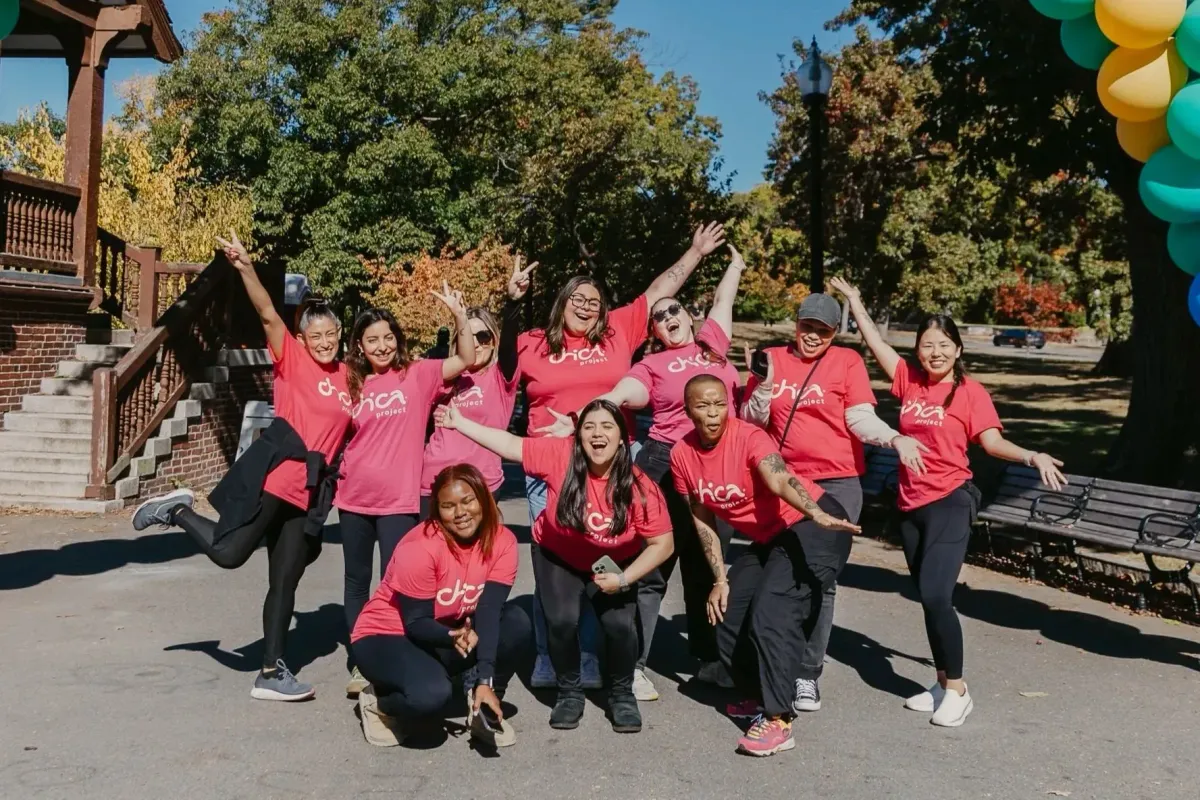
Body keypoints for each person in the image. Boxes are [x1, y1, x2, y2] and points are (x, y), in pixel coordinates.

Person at [832, 276, 1066, 728]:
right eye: (926, 345)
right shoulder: (909, 382)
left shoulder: (971, 392)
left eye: (942, 345)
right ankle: (940, 681)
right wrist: (857, 301)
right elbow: (876, 343)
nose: (933, 352)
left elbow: (991, 442)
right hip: (909, 501)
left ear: (958, 349)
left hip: (950, 501)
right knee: (925, 595)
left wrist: (1031, 455)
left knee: (938, 593)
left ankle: (958, 689)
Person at [502, 222, 726, 689]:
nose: (585, 308)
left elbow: (658, 290)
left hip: (609, 463)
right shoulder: (532, 343)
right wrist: (511, 303)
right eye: (576, 299)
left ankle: (589, 654)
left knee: (603, 556)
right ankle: (548, 653)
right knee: (553, 562)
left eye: (593, 302)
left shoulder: (617, 333)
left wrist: (695, 252)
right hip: (549, 464)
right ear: (561, 302)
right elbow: (496, 363)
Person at [131, 231, 352, 702]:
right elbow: (268, 313)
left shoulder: (347, 377)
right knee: (229, 554)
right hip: (280, 478)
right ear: (303, 339)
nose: (326, 342)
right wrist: (246, 268)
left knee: (286, 577)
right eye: (318, 336)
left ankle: (271, 671)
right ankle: (177, 511)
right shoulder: (291, 359)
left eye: (332, 335)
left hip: (311, 492)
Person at [437, 398, 675, 733]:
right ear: (578, 437)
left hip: (612, 564)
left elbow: (663, 544)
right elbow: (510, 445)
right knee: (562, 622)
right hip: (557, 554)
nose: (597, 433)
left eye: (607, 426)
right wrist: (460, 423)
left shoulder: (640, 487)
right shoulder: (559, 455)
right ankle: (570, 692)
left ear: (622, 438)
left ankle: (622, 695)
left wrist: (623, 579)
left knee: (620, 627)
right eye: (589, 426)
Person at [740, 292, 927, 714]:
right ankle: (768, 666)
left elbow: (858, 418)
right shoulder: (770, 357)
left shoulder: (846, 363)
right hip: (781, 481)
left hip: (836, 483)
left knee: (818, 579)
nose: (812, 336)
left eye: (823, 331)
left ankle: (807, 673)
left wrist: (894, 438)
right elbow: (750, 421)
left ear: (834, 333)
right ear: (797, 324)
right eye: (807, 326)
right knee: (773, 574)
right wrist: (764, 386)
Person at [586, 245, 747, 701]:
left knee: (708, 566)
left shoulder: (713, 346)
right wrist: (602, 409)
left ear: (689, 316)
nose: (668, 316)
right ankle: (632, 664)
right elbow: (627, 392)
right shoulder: (653, 364)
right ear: (653, 331)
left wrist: (734, 266)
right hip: (662, 464)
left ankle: (713, 660)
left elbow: (723, 303)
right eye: (659, 316)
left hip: (718, 466)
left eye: (675, 309)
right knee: (654, 566)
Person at [669, 375, 860, 757]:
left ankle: (778, 719)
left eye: (720, 403)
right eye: (703, 405)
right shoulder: (682, 455)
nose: (713, 413)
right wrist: (720, 577)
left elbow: (779, 477)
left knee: (774, 606)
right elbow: (702, 516)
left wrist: (815, 512)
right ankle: (758, 694)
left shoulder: (749, 437)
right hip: (773, 537)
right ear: (688, 409)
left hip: (815, 524)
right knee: (727, 610)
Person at [339, 289, 476, 697]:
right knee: (356, 581)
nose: (381, 346)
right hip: (353, 497)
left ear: (397, 338)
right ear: (360, 347)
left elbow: (466, 358)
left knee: (398, 584)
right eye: (371, 340)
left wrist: (459, 316)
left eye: (387, 337)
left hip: (399, 500)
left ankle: (401, 650)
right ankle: (362, 657)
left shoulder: (418, 373)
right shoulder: (352, 381)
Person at [350, 464, 531, 749]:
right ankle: (378, 702)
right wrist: (452, 637)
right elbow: (415, 622)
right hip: (387, 635)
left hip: (447, 631)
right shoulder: (420, 547)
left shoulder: (502, 541)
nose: (460, 513)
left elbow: (489, 610)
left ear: (484, 498)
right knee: (431, 698)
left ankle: (480, 702)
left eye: (468, 500)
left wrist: (485, 677)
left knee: (517, 622)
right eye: (448, 506)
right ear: (437, 510)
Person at [420, 264, 529, 516]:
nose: (477, 344)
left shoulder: (501, 376)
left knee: (474, 555)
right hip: (431, 482)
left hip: (480, 483)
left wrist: (512, 302)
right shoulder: (446, 374)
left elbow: (510, 346)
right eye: (470, 336)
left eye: (484, 337)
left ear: (493, 341)